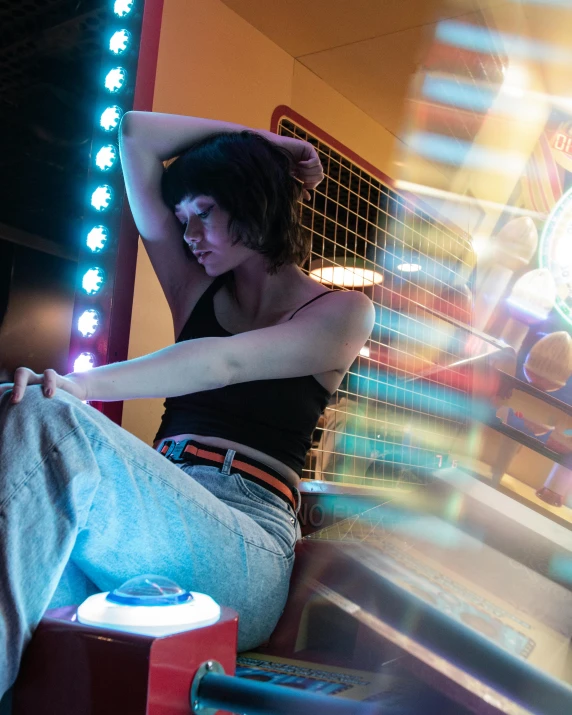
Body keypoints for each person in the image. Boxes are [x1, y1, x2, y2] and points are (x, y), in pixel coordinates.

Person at [0, 111, 375, 699]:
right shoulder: (196, 283)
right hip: (154, 517)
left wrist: (76, 385)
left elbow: (220, 362)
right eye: (181, 219)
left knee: (43, 410)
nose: (190, 233)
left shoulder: (344, 313)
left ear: (250, 199)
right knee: (12, 405)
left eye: (204, 211)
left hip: (246, 542)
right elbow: (133, 135)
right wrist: (265, 141)